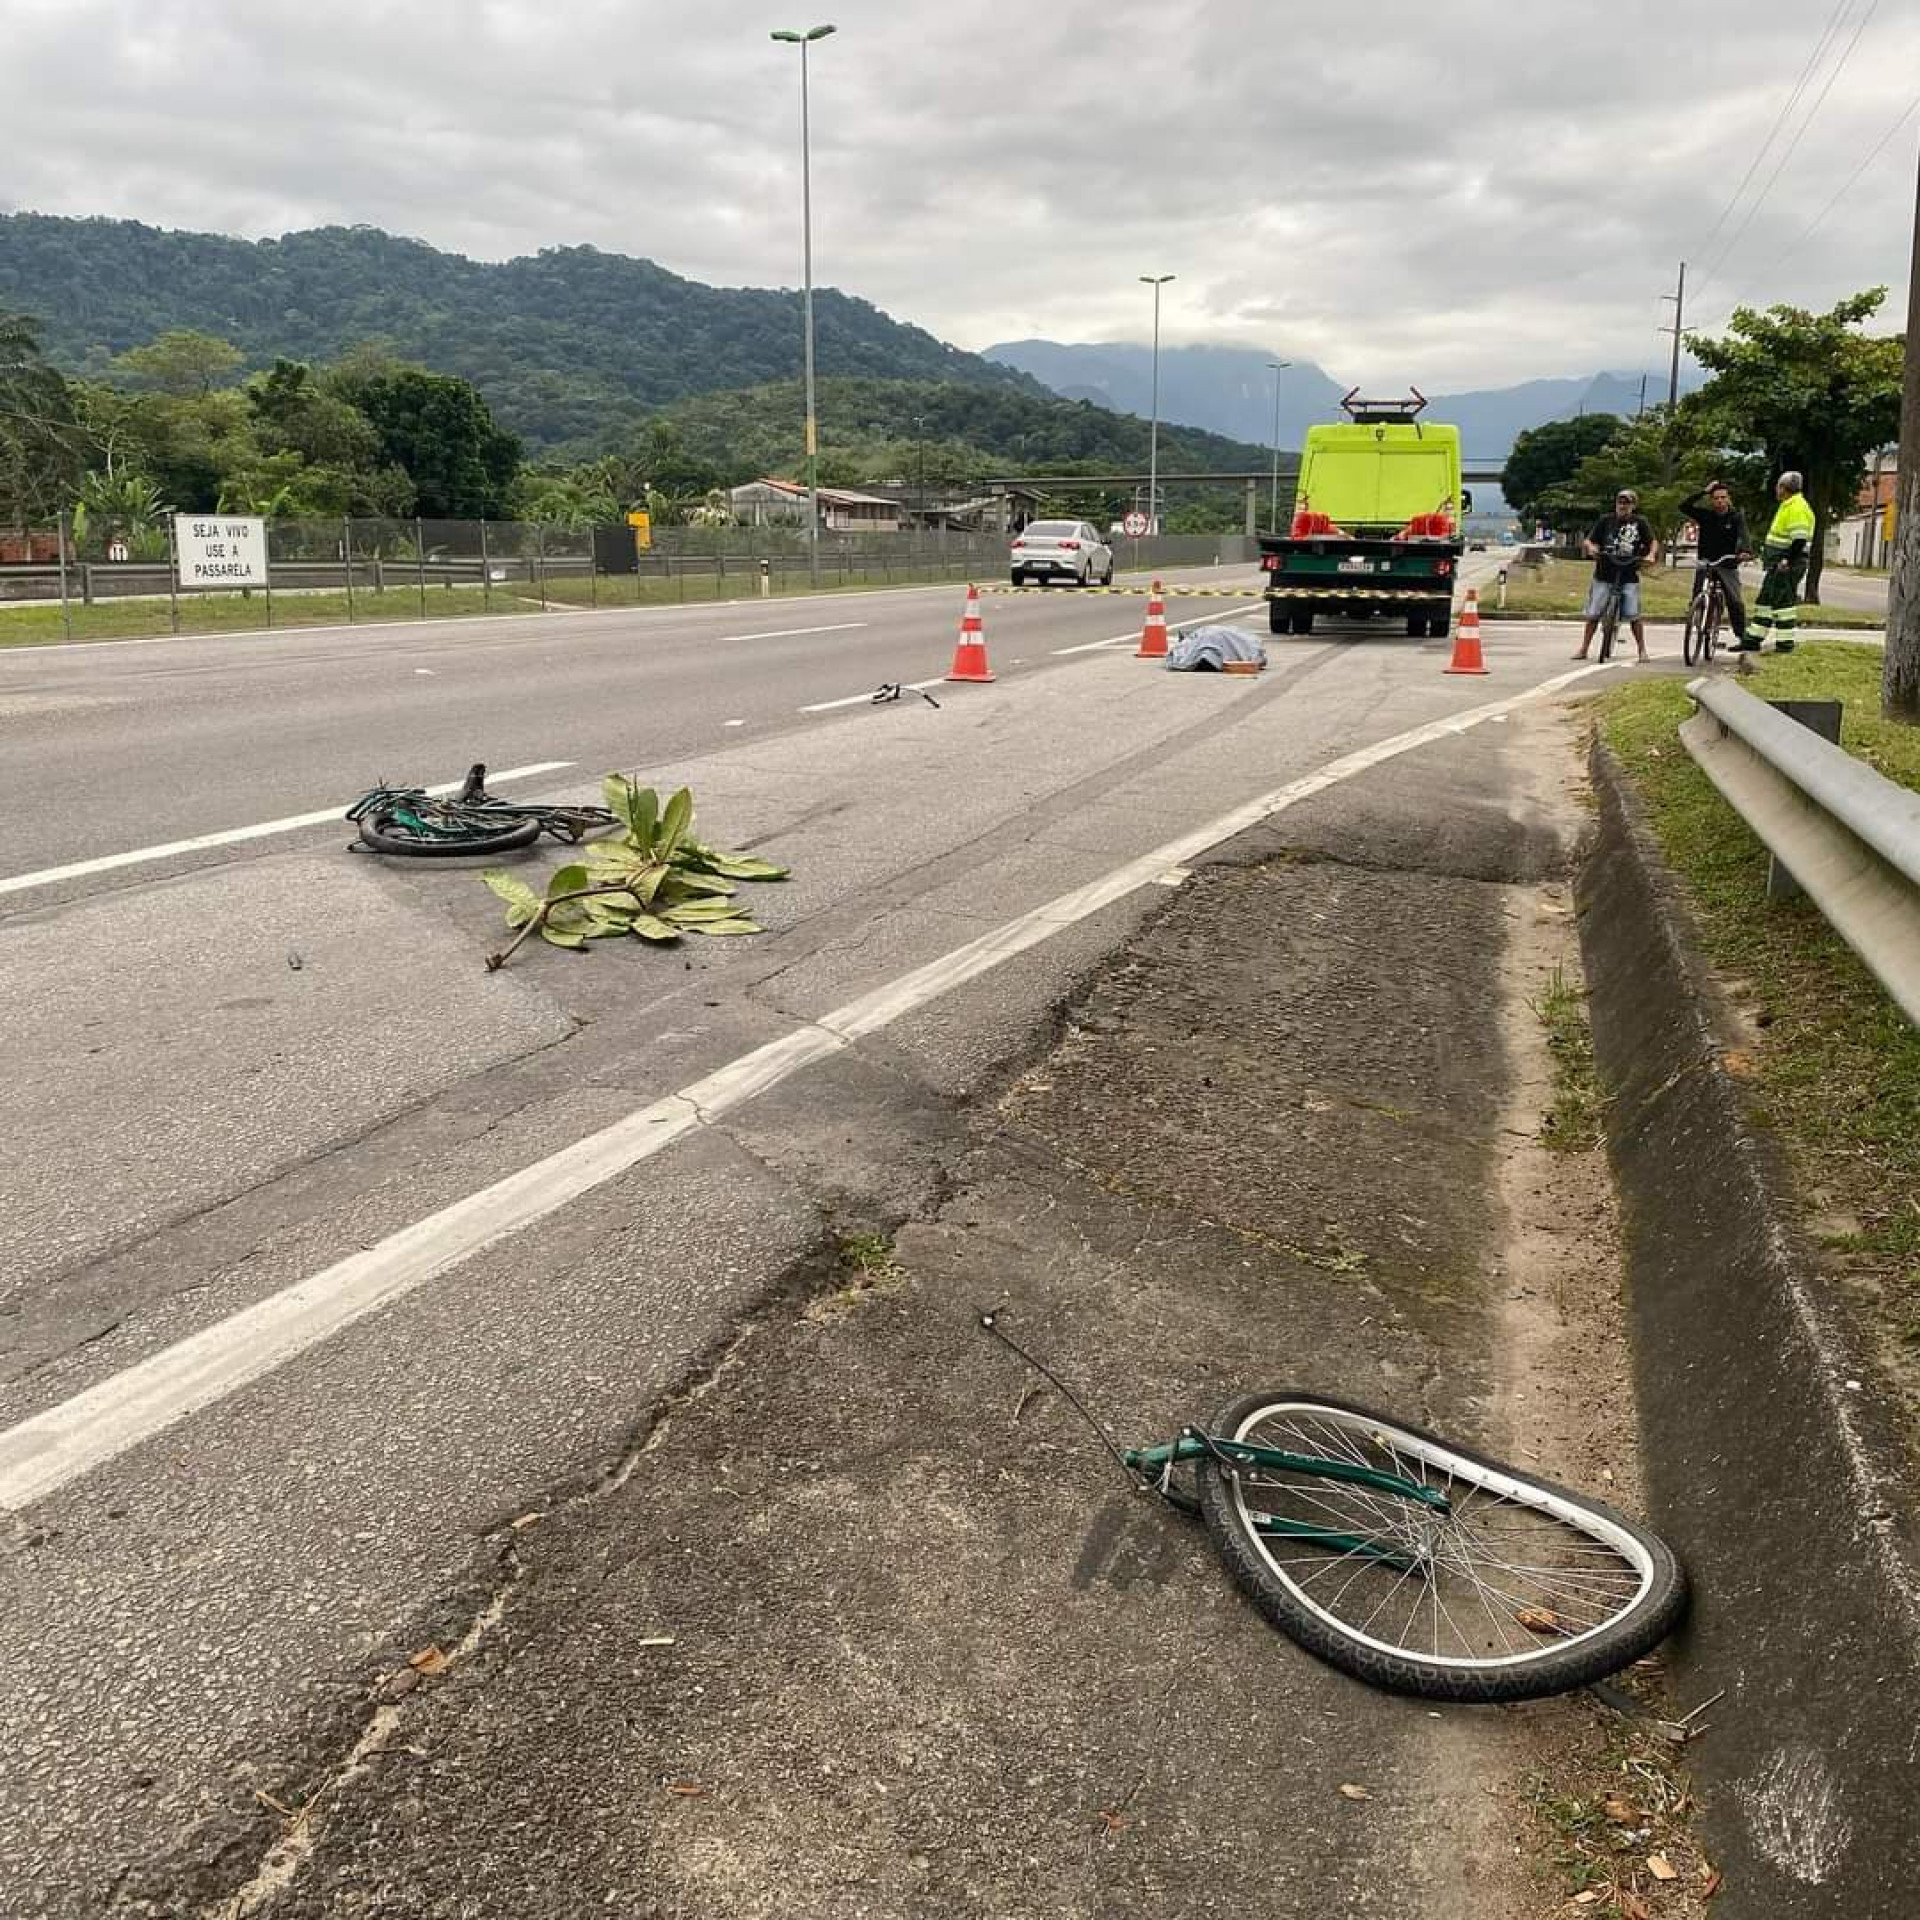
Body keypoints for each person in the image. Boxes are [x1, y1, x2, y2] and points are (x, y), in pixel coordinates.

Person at [1573, 489, 1660, 662]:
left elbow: (1653, 541)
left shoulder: (1640, 522)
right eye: (1620, 502)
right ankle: (1584, 648)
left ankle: (1642, 650)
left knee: (1633, 613)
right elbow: (1589, 540)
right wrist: (1592, 548)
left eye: (1626, 503)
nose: (1622, 506)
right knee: (1594, 612)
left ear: (1633, 506)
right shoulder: (1605, 520)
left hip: (1629, 571)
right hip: (1605, 571)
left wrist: (1650, 555)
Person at [1677, 480, 1752, 648]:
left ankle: (1742, 636)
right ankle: (1696, 614)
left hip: (1727, 563)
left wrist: (1745, 551)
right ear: (1711, 500)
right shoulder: (1706, 516)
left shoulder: (1736, 517)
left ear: (1728, 499)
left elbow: (1744, 535)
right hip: (1707, 562)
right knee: (1698, 591)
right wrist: (1703, 492)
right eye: (1716, 498)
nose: (1719, 501)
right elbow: (1683, 506)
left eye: (1723, 497)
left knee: (1735, 600)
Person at [1749, 471, 1816, 653]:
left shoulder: (1797, 507)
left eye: (1778, 486)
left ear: (1783, 488)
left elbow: (1799, 540)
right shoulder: (1788, 505)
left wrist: (1786, 560)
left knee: (1783, 603)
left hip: (1787, 564)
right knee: (1765, 601)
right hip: (1777, 564)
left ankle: (1785, 644)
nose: (1776, 490)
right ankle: (1752, 639)